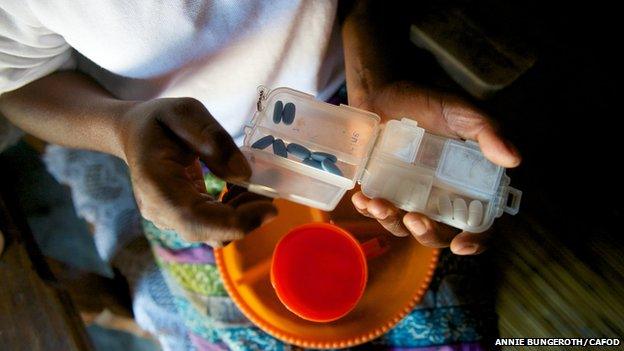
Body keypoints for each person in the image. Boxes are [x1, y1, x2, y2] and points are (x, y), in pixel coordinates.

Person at [0, 1, 521, 349]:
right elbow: (18, 80)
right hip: (181, 158)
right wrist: (121, 128)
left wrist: (372, 79)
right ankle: (124, 306)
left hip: (353, 111)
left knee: (452, 334)